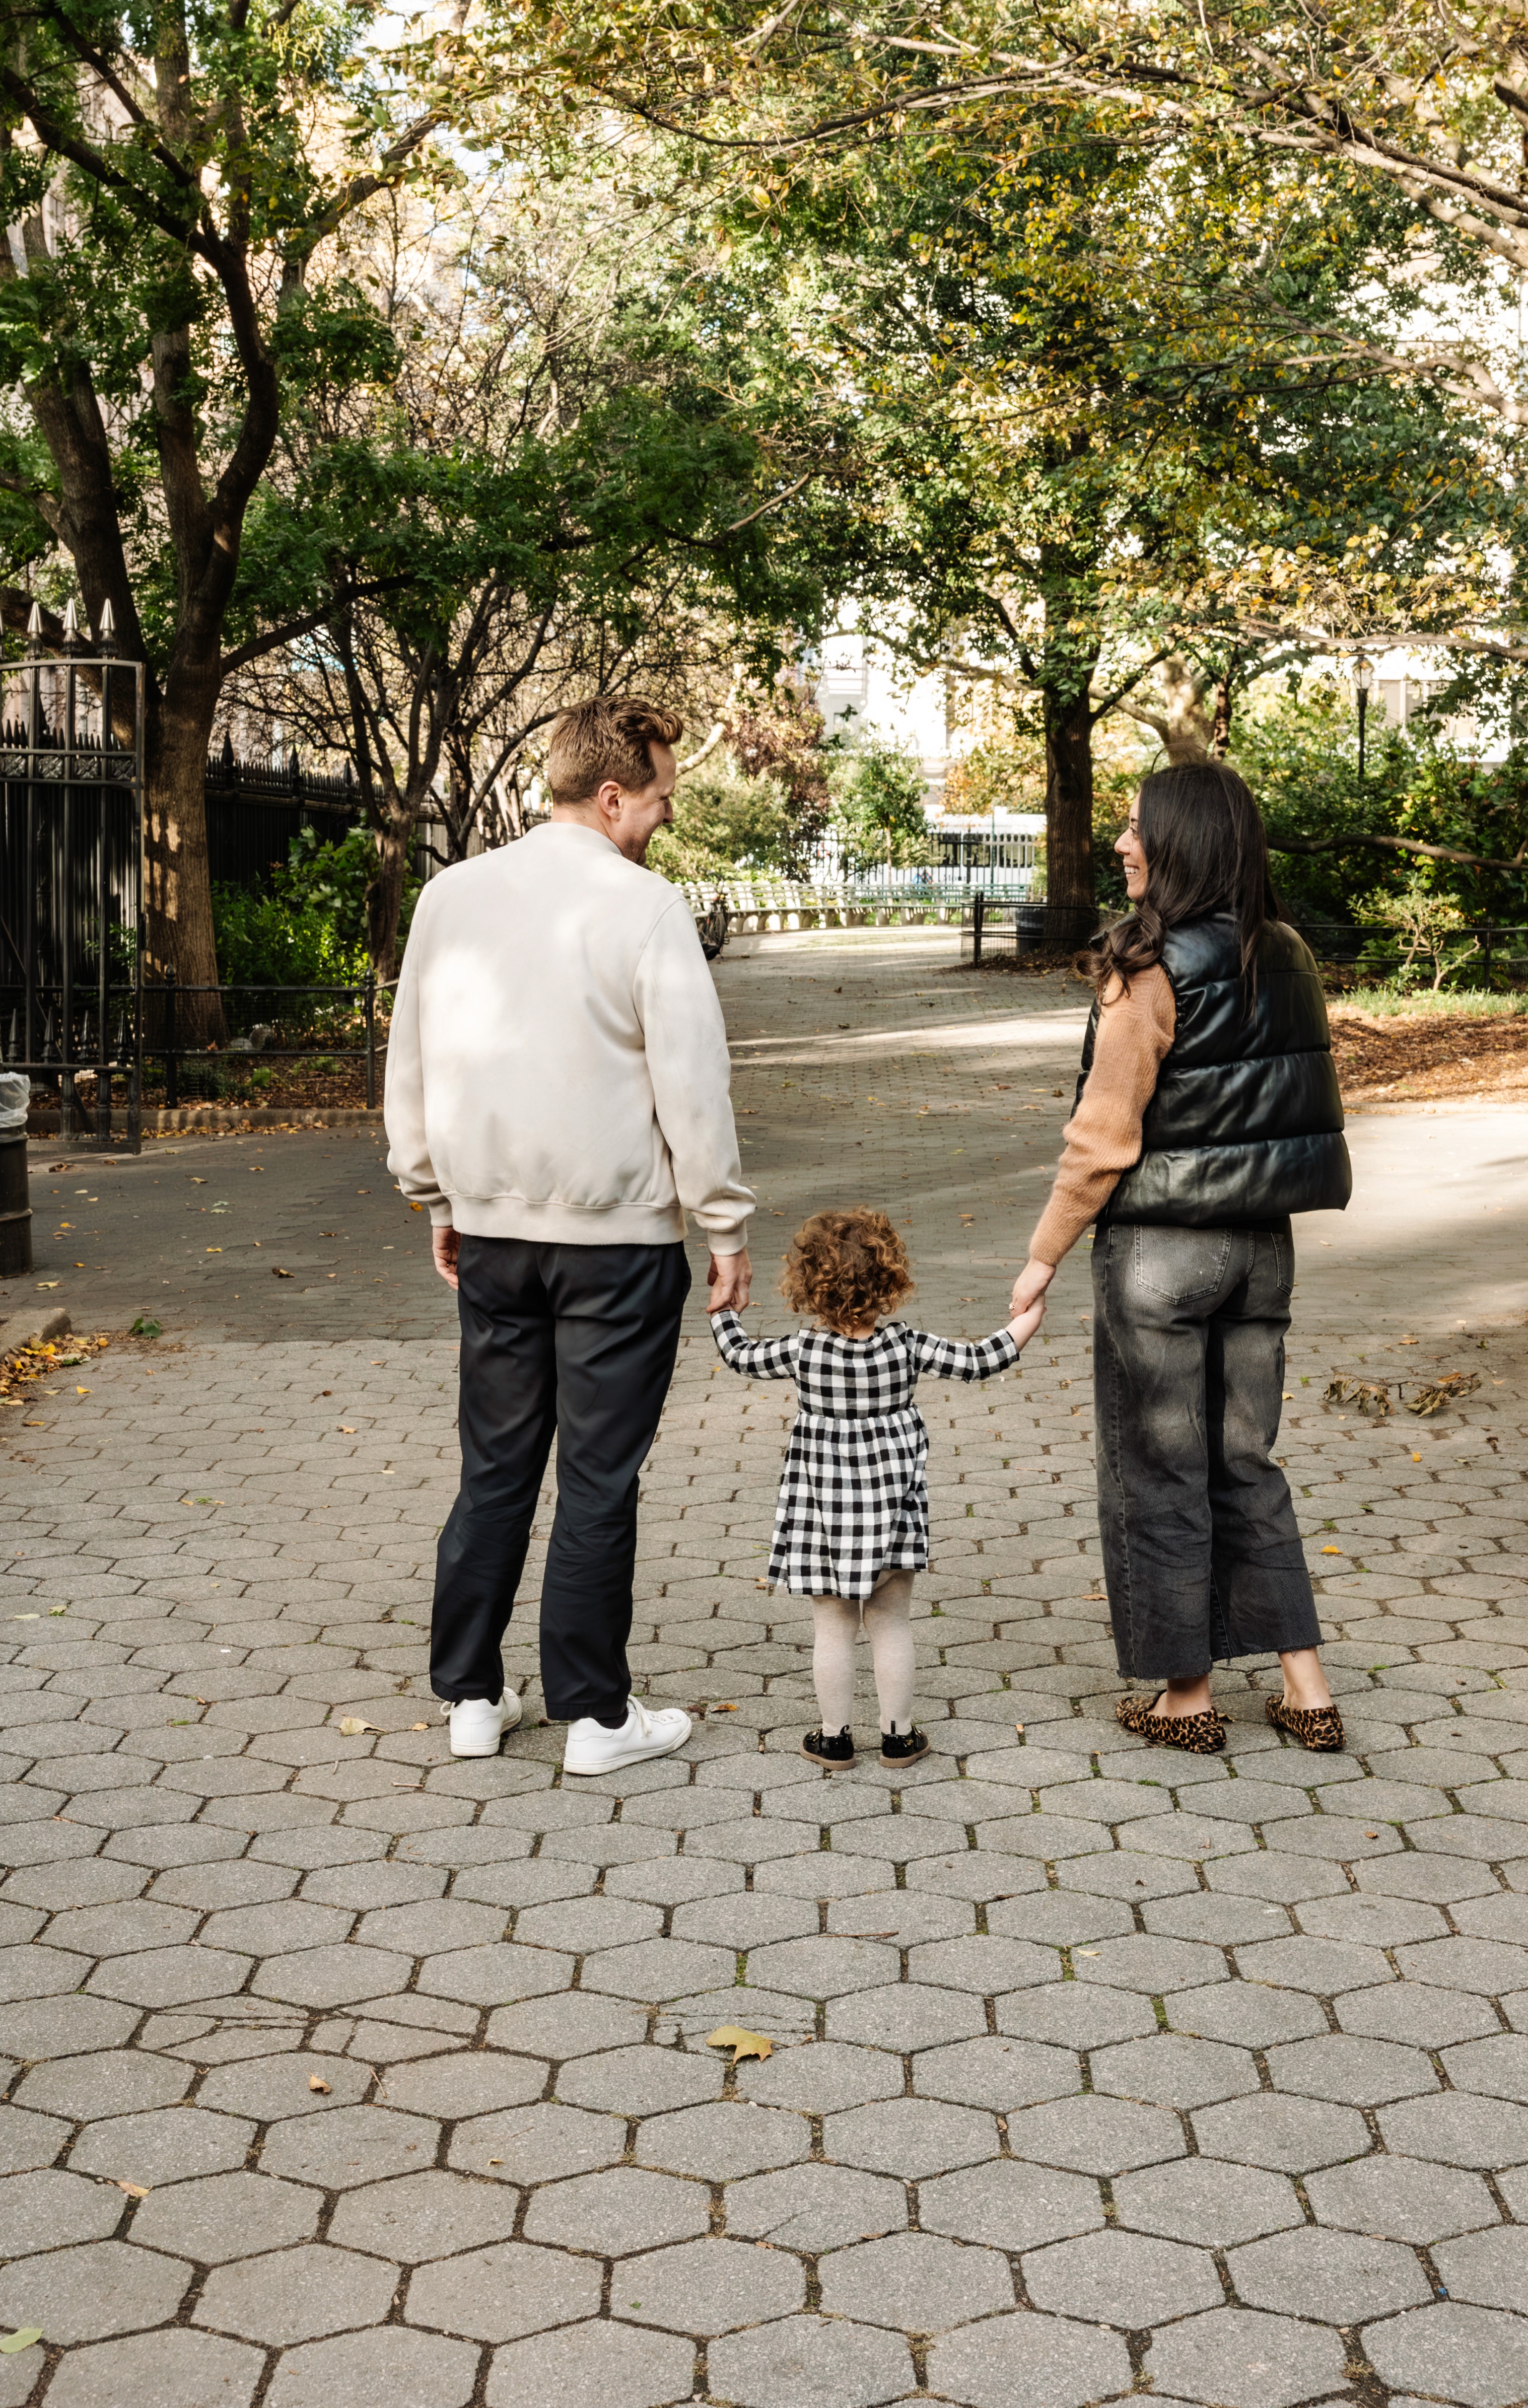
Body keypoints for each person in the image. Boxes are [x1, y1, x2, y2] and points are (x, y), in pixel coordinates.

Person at [385, 696, 753, 1776]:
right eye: (658, 801)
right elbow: (693, 1084)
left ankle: (471, 1698)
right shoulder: (645, 910)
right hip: (622, 1242)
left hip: (493, 1232)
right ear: (609, 795)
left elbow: (413, 1055)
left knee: (494, 1466)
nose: (662, 820)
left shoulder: (451, 897)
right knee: (598, 1477)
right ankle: (594, 1716)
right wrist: (722, 1223)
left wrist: (435, 1198)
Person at [1011, 761, 1352, 1755]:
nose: (1122, 844)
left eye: (1138, 829)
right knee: (1247, 1461)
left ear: (1184, 846)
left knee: (1160, 1466)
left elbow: (1102, 1139)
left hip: (1159, 1256)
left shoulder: (1148, 969)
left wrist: (1040, 1259)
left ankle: (1187, 1699)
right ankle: (1308, 1688)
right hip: (1261, 1253)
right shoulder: (1285, 951)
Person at [711, 1207, 1045, 1770]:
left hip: (823, 1517)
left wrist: (725, 1306)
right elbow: (981, 1360)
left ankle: (834, 1738)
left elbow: (739, 1354)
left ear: (807, 1286)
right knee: (891, 1622)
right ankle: (897, 1736)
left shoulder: (801, 1351)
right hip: (892, 1514)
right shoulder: (905, 1346)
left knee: (833, 1628)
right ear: (889, 1277)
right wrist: (1028, 1315)